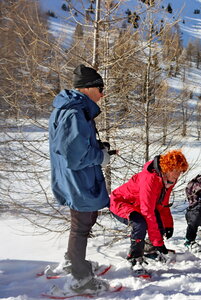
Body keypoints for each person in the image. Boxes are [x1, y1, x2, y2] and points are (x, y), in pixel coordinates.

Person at [49, 64, 110, 293]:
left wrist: (99, 148)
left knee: (83, 222)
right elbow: (77, 157)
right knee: (81, 225)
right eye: (100, 88)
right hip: (78, 180)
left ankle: (75, 262)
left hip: (75, 178)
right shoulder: (74, 113)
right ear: (86, 89)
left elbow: (73, 146)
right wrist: (99, 156)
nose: (102, 94)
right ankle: (80, 278)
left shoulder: (73, 109)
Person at [109, 150, 188, 274]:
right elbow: (147, 212)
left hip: (140, 205)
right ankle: (135, 258)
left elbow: (163, 205)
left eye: (180, 171)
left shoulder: (168, 180)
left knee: (159, 222)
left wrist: (168, 224)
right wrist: (158, 242)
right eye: (175, 170)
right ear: (167, 168)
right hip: (121, 202)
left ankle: (150, 250)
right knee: (140, 224)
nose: (177, 175)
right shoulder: (150, 179)